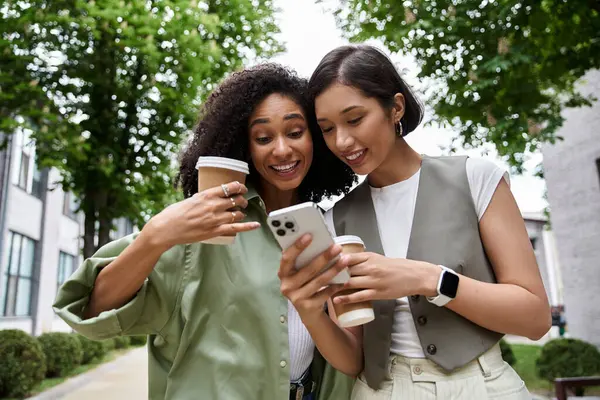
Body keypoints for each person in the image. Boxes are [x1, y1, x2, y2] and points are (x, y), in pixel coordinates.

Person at [53, 63, 360, 400]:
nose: (282, 149)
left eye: (295, 132)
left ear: (314, 137)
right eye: (263, 137)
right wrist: (155, 235)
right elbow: (92, 309)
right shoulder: (203, 226)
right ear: (244, 146)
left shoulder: (330, 226)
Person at [283, 44, 552, 399]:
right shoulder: (337, 219)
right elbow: (352, 359)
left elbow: (534, 319)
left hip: (483, 387)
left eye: (354, 119)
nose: (342, 141)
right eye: (328, 129)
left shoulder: (475, 179)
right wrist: (309, 312)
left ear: (396, 107)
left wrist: (427, 279)